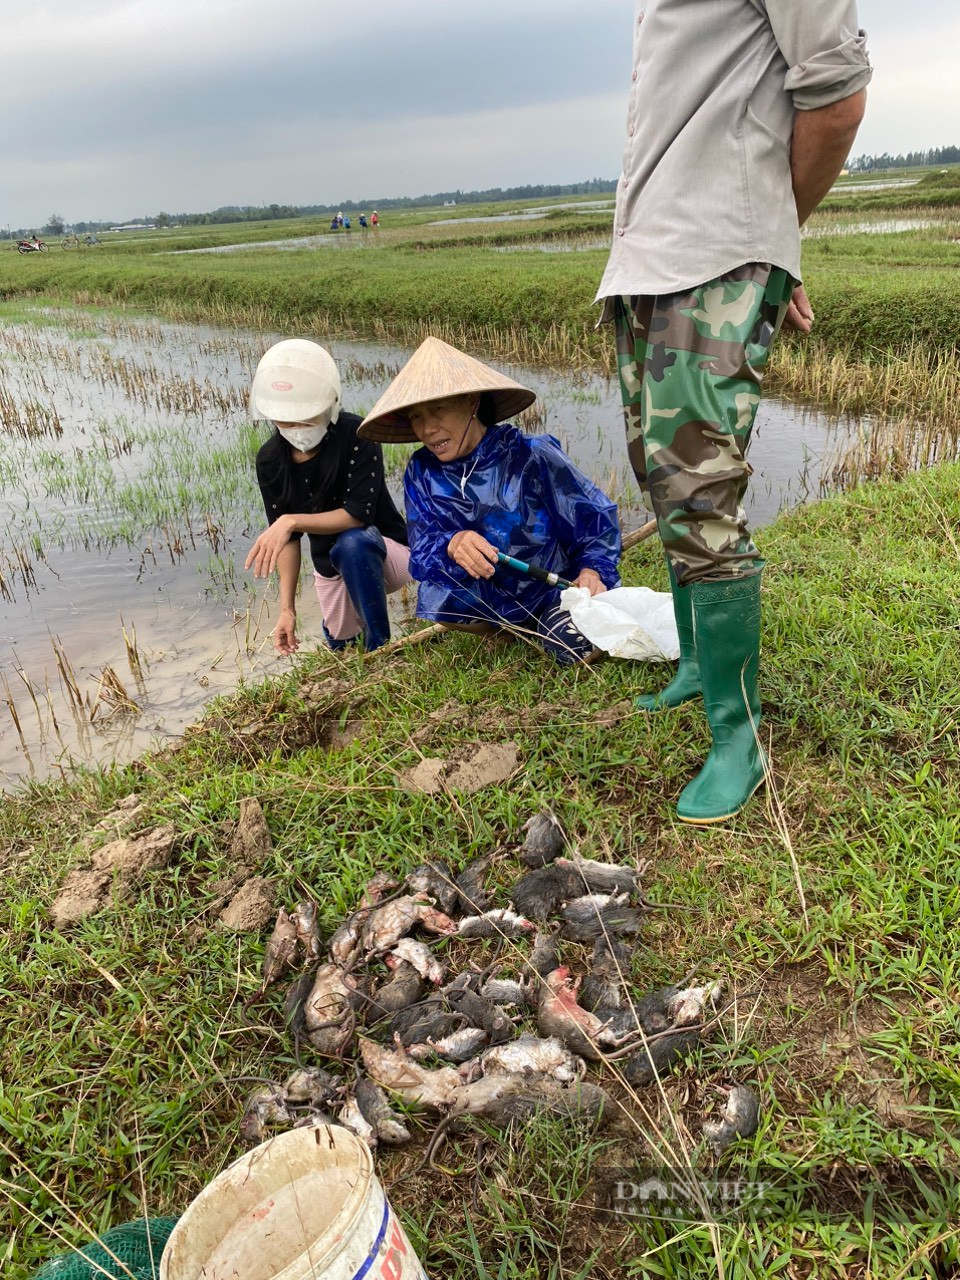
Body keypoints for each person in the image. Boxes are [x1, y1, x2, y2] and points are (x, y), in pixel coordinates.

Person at [596, 1, 870, 825]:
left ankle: (736, 737)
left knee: (698, 491)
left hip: (717, 248)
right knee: (659, 471)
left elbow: (837, 94)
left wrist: (769, 246)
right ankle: (695, 670)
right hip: (648, 252)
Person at [358, 337, 621, 664]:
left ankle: (547, 622)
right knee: (436, 595)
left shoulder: (530, 454)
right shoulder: (421, 472)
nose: (427, 429)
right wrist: (453, 542)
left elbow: (595, 518)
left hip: (551, 585)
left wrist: (593, 571)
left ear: (470, 401)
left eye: (437, 409)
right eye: (416, 417)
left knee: (576, 649)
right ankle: (500, 630)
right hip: (487, 592)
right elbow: (422, 549)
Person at [245, 339, 411, 655]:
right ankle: (354, 641)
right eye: (284, 420)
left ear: (328, 406)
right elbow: (289, 541)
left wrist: (290, 520)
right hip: (331, 566)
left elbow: (357, 515)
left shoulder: (358, 434)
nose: (294, 428)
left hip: (386, 552)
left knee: (353, 542)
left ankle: (382, 651)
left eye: (305, 418)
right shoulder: (270, 459)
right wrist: (287, 609)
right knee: (341, 646)